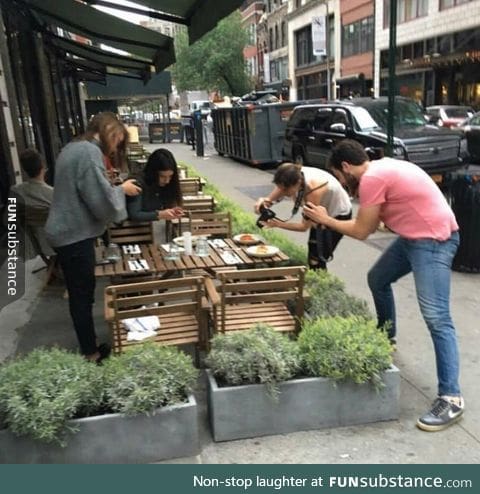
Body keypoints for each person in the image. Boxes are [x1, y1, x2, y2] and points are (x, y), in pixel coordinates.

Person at [303, 139, 463, 432]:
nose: (342, 182)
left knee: (437, 318)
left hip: (433, 242)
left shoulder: (371, 178)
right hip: (413, 238)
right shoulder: (381, 167)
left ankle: (451, 397)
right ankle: (386, 336)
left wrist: (326, 219)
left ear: (346, 167)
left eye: (340, 176)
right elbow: (378, 219)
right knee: (377, 279)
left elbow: (363, 231)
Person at [45, 112, 141, 363]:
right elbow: (101, 202)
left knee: (80, 293)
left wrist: (109, 184)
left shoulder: (73, 147)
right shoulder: (89, 152)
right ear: (111, 132)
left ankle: (90, 346)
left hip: (66, 232)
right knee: (82, 294)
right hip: (73, 235)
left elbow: (86, 190)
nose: (116, 146)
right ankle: (91, 353)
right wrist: (122, 189)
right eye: (118, 139)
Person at [254, 163, 352, 270]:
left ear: (298, 183)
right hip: (320, 212)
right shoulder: (293, 174)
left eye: (285, 190)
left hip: (337, 215)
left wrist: (277, 224)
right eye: (280, 188)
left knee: (318, 257)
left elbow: (303, 227)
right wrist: (266, 201)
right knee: (312, 250)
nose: (282, 192)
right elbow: (281, 188)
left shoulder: (313, 190)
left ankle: (320, 282)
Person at [10, 149, 54, 258]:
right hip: (59, 243)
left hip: (38, 245)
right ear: (43, 168)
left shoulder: (16, 191)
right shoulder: (53, 194)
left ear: (25, 170)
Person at [127, 148, 184, 223]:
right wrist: (160, 214)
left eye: (170, 176)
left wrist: (171, 211)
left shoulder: (168, 185)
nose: (167, 181)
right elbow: (134, 214)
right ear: (153, 173)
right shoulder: (137, 183)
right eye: (162, 176)